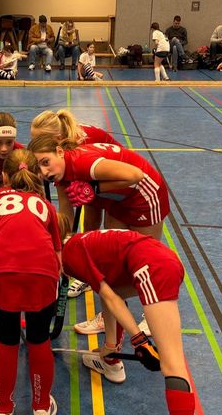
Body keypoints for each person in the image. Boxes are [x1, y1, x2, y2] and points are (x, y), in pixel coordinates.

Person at [60, 226, 204, 415]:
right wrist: (110, 347)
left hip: (153, 268)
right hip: (162, 260)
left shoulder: (71, 255)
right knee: (112, 291)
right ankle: (111, 361)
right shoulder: (80, 243)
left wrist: (139, 340)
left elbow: (111, 299)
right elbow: (111, 293)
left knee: (172, 364)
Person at [28, 134, 168, 337]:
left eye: (45, 162)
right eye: (38, 168)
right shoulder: (60, 174)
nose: (44, 171)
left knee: (148, 260)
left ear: (59, 152)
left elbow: (136, 175)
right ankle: (111, 315)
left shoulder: (83, 163)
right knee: (113, 262)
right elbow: (67, 217)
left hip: (145, 194)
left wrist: (94, 188)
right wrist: (58, 246)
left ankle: (155, 316)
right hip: (118, 200)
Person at [0, 149, 61, 415]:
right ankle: (41, 410)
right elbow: (58, 255)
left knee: (7, 340)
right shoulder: (46, 206)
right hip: (43, 272)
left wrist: (1, 267)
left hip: (3, 271)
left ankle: (2, 412)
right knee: (39, 339)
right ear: (36, 175)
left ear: (5, 175)